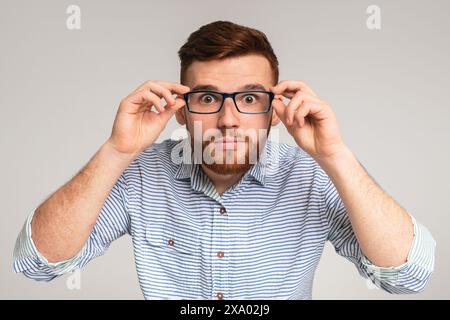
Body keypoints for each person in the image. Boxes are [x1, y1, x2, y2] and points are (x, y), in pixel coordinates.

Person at [13, 20, 436, 299]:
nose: (229, 120)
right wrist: (117, 150)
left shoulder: (312, 176)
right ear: (181, 109)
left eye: (250, 98)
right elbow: (38, 264)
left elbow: (407, 276)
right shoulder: (139, 174)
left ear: (274, 110)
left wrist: (335, 155)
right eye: (209, 98)